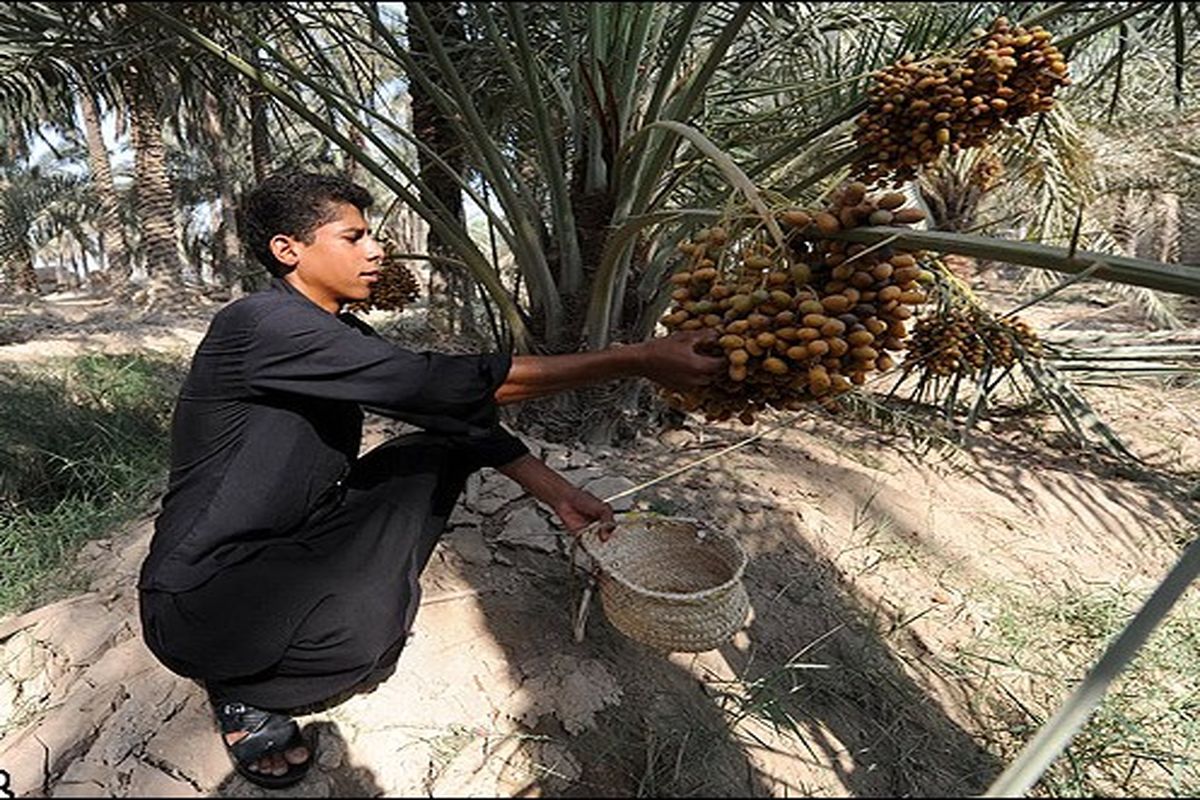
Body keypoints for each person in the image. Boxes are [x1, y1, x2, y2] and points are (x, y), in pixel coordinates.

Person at [136, 171, 724, 788]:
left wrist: (559, 495)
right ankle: (240, 686)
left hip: (288, 545)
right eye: (354, 237)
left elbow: (452, 412)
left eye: (373, 237)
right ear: (289, 250)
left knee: (438, 454)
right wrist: (635, 357)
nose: (376, 250)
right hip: (201, 600)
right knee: (355, 652)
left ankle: (287, 644)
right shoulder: (260, 325)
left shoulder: (335, 334)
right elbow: (438, 383)